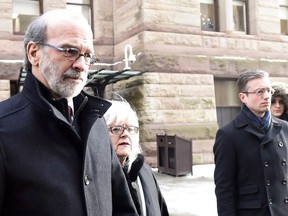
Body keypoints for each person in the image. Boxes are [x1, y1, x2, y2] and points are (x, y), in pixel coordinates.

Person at [0, 9, 139, 216]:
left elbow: (122, 206)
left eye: (88, 55)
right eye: (69, 51)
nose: (82, 65)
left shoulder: (96, 122)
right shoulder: (4, 127)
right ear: (34, 53)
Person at [213, 70, 288, 216]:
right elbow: (224, 188)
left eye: (268, 90)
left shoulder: (285, 128)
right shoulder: (228, 135)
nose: (266, 96)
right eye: (259, 92)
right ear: (243, 97)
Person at [103, 98, 169, 216]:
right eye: (116, 129)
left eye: (131, 129)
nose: (125, 134)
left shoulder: (144, 171)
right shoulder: (94, 177)